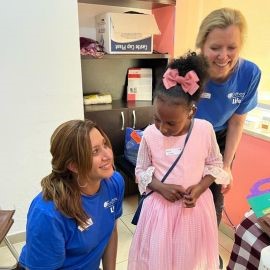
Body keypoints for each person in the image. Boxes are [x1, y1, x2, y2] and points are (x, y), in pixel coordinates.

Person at [128, 52, 229, 270]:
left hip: (193, 212)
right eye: (157, 118)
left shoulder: (205, 130)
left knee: (190, 261)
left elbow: (215, 164)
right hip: (160, 213)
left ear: (191, 112)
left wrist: (201, 187)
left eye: (171, 123)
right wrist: (160, 187)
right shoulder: (149, 134)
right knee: (158, 260)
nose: (163, 128)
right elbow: (141, 170)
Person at [18, 119, 125, 270]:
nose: (107, 155)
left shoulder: (114, 183)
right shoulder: (48, 214)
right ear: (74, 165)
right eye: (95, 151)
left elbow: (110, 231)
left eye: (105, 144)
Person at [195, 7, 261, 226]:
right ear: (202, 46)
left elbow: (236, 121)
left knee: (214, 199)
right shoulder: (187, 72)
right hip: (187, 135)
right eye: (215, 48)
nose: (224, 56)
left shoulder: (250, 74)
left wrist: (226, 166)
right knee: (186, 196)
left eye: (232, 47)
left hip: (221, 139)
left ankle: (207, 251)